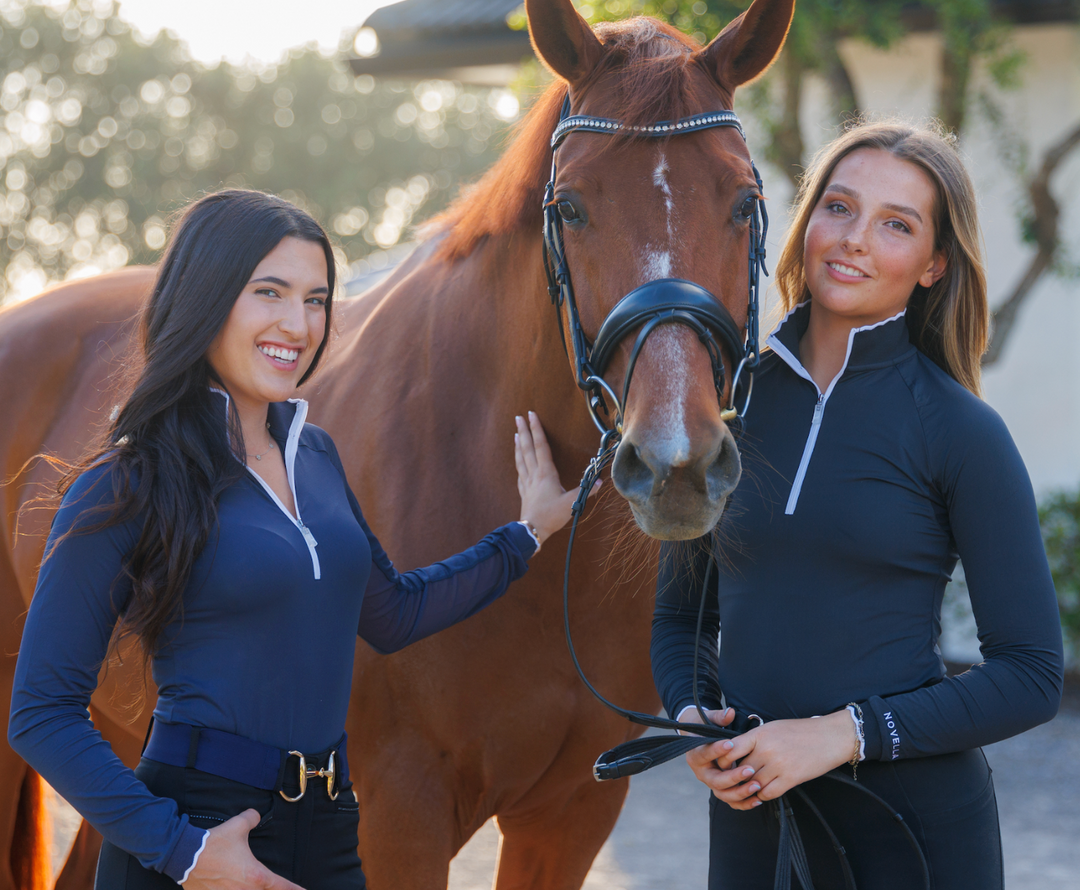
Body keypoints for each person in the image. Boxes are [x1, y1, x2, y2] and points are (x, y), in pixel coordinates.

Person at [9, 189, 576, 890]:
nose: (298, 324)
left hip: (330, 824)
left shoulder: (316, 457)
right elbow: (41, 712)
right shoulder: (129, 478)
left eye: (316, 300)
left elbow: (394, 613)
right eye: (269, 293)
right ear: (206, 297)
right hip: (197, 830)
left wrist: (527, 534)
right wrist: (182, 850)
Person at [650, 124, 1064, 888]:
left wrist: (840, 735)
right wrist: (692, 713)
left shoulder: (959, 430)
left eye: (896, 224)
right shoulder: (724, 412)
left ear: (934, 265)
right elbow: (681, 618)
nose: (855, 240)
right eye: (838, 207)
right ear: (806, 222)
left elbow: (1032, 673)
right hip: (752, 821)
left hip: (913, 835)